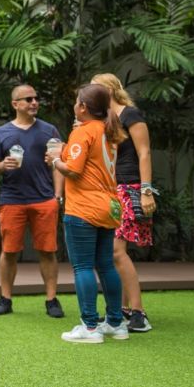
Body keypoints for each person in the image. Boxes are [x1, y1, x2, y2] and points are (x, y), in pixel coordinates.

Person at [46, 84, 128, 343]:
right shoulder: (109, 131)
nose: (74, 105)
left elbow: (73, 169)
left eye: (76, 101)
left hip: (84, 208)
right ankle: (115, 323)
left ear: (83, 107)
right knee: (105, 265)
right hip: (108, 207)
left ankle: (89, 327)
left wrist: (55, 160)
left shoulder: (84, 133)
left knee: (82, 266)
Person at [0, 85, 65, 318]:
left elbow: (58, 164)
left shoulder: (49, 130)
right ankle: (5, 299)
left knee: (48, 251)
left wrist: (57, 196)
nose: (34, 102)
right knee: (9, 251)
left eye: (36, 98)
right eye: (28, 99)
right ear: (15, 104)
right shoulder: (2, 133)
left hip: (44, 199)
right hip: (12, 200)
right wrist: (2, 165)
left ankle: (51, 300)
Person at [92, 73, 155, 332]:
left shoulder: (131, 115)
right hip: (109, 189)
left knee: (117, 252)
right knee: (112, 253)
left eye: (96, 88)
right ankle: (122, 310)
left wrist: (147, 191)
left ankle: (139, 313)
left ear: (110, 89)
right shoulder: (102, 120)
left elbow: (145, 152)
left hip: (130, 188)